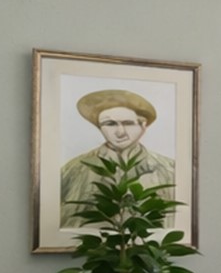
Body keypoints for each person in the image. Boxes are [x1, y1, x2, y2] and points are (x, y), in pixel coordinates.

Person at [59, 89, 177, 226]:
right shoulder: (74, 168)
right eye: (110, 124)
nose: (120, 132)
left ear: (143, 125)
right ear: (100, 127)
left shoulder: (169, 169)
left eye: (128, 123)